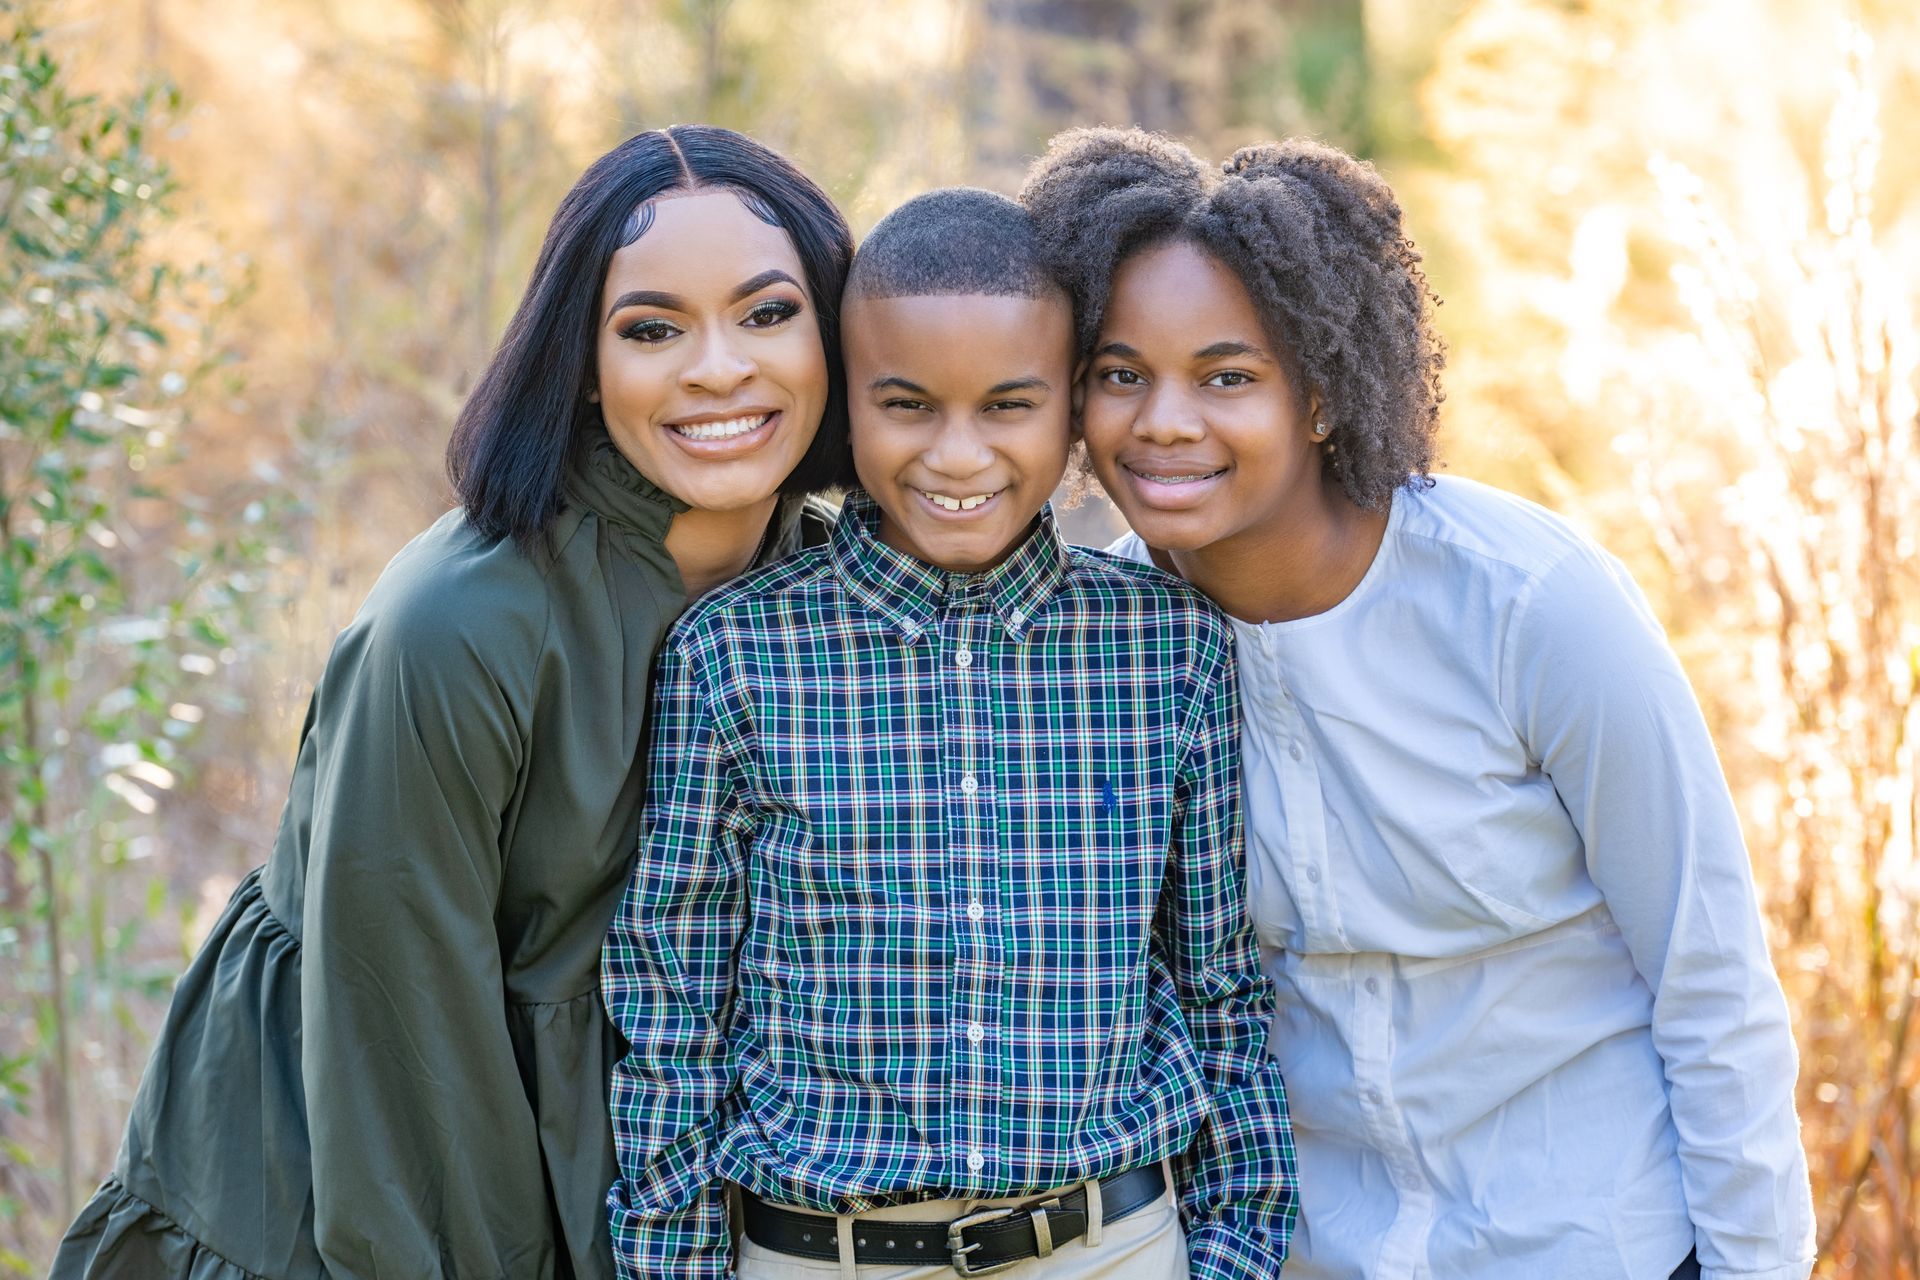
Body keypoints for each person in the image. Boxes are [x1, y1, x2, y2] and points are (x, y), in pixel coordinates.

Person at [53, 124, 856, 1280]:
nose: (719, 367)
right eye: (652, 329)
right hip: (360, 1212)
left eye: (768, 312)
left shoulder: (830, 589)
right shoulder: (455, 626)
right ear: (581, 360)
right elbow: (405, 1058)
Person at [1019, 128, 1818, 1280]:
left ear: (1326, 395)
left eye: (1228, 375)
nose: (1164, 422)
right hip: (1315, 1252)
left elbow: (1713, 977)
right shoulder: (1113, 652)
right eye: (1121, 373)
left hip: (1596, 1243)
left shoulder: (1530, 604)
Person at [602, 188, 1296, 1280]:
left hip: (1108, 1245)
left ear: (1070, 409)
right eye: (909, 405)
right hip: (818, 1250)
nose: (959, 455)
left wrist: (1238, 1247)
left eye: (1008, 406)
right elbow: (673, 1001)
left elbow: (1217, 984)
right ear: (849, 404)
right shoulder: (734, 655)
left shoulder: (1173, 650)